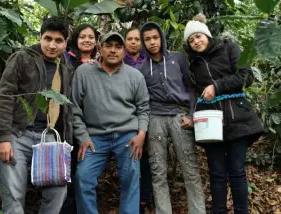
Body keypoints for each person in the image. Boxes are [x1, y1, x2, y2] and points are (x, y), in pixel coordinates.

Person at [184, 14, 264, 214]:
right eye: (191, 40)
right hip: (210, 123)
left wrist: (217, 86)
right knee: (217, 173)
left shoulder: (229, 48)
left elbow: (247, 76)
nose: (196, 42)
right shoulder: (192, 64)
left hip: (237, 118)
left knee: (237, 171)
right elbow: (192, 92)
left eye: (198, 36)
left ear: (207, 35)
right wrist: (192, 115)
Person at [0, 16, 73, 214]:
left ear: (65, 43)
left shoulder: (66, 69)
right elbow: (4, 96)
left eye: (58, 40)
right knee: (13, 195)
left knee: (58, 190)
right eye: (47, 39)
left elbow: (68, 110)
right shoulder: (22, 58)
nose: (52, 45)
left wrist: (68, 141)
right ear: (40, 37)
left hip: (50, 138)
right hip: (17, 135)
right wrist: (3, 138)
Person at [71, 32, 150, 214]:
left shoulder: (135, 76)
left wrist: (141, 135)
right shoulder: (84, 72)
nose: (113, 50)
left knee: (132, 176)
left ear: (124, 51)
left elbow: (143, 109)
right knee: (83, 177)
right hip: (94, 136)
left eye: (118, 46)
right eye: (108, 45)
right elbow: (74, 109)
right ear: (100, 48)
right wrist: (82, 137)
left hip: (127, 136)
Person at [138, 22, 206, 214]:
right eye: (148, 39)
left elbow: (191, 88)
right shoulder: (141, 69)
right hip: (155, 119)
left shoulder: (178, 59)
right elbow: (141, 100)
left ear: (161, 37)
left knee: (190, 169)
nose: (152, 42)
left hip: (179, 116)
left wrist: (191, 115)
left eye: (155, 37)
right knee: (158, 172)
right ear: (144, 43)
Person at [60, 23, 99, 214]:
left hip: (92, 125)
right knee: (67, 170)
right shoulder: (66, 59)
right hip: (67, 122)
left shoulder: (100, 61)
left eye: (91, 37)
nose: (87, 40)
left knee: (83, 172)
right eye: (83, 36)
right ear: (76, 39)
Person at [123, 27, 154, 214]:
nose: (133, 42)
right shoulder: (119, 60)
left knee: (147, 160)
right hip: (126, 117)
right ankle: (132, 200)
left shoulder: (149, 60)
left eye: (137, 39)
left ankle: (144, 199)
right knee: (132, 159)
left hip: (148, 113)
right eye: (130, 39)